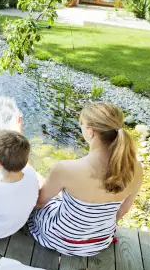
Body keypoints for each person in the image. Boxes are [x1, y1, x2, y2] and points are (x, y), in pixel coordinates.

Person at [28, 102, 143, 257]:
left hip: (61, 240)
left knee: (41, 186)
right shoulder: (136, 169)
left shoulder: (66, 168)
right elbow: (123, 210)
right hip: (99, 242)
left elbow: (39, 202)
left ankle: (28, 168)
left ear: (90, 132)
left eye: (81, 124)